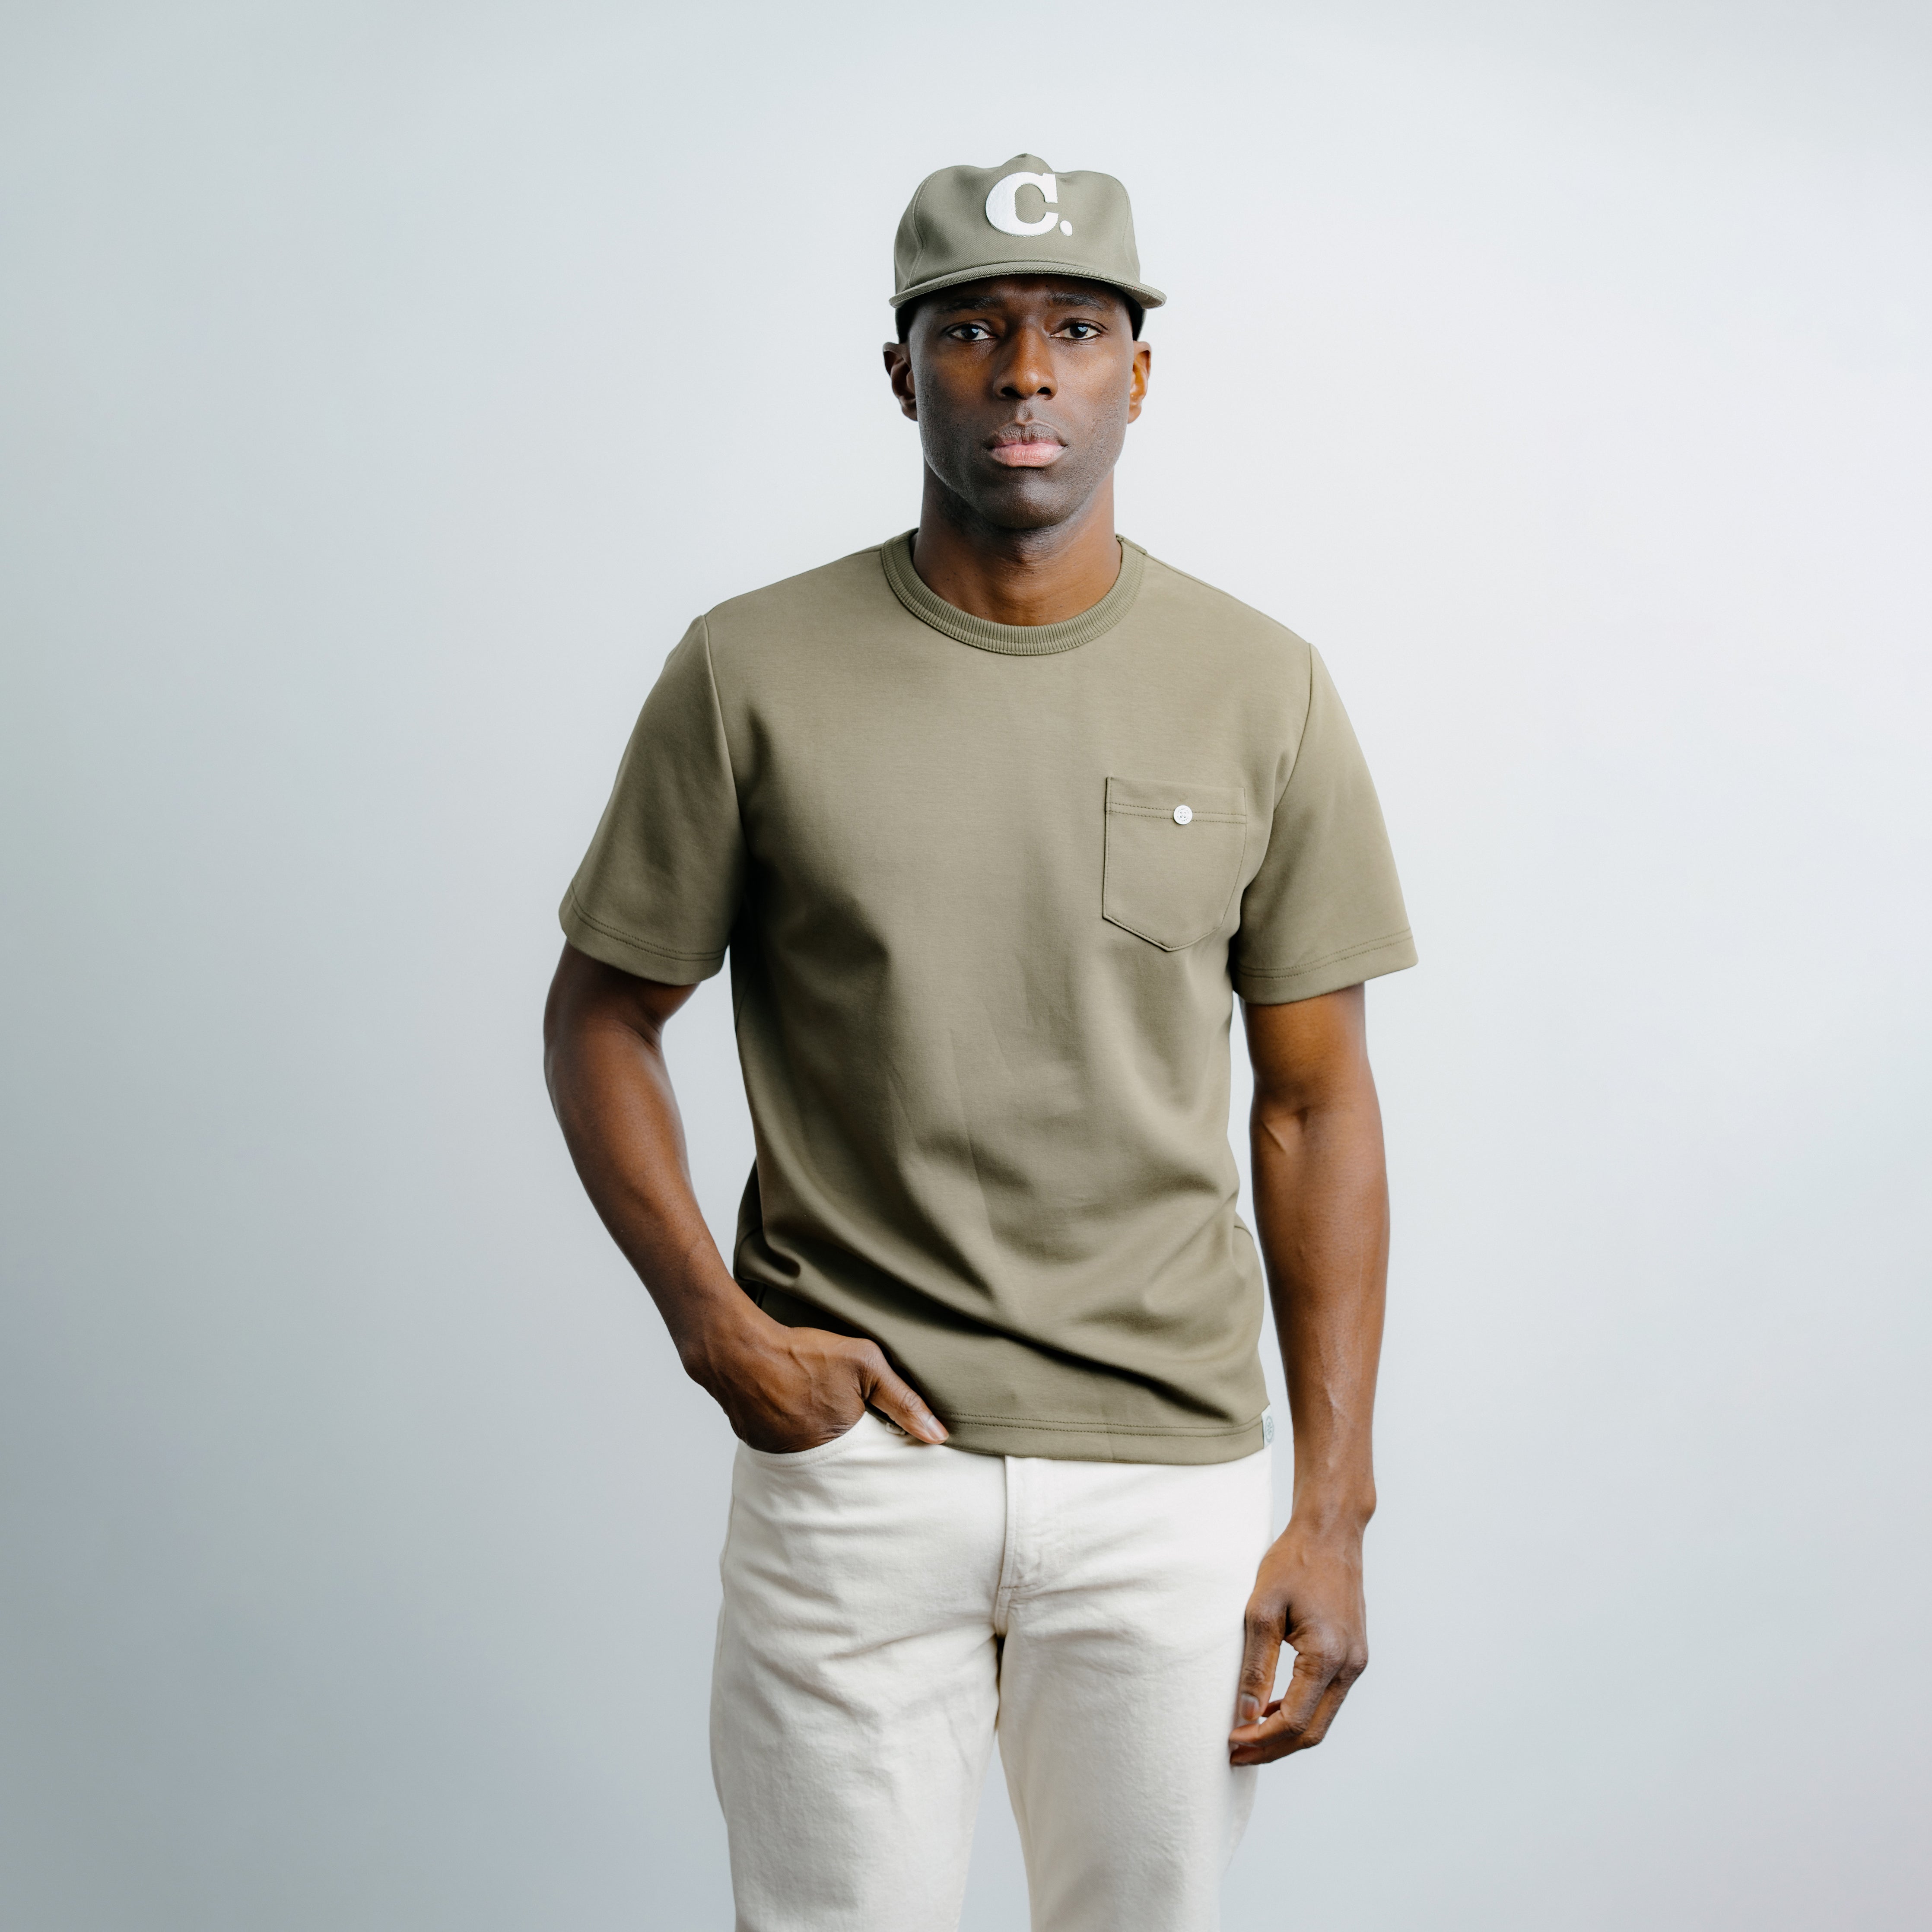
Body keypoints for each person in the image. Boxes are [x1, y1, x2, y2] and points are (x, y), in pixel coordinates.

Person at [543, 153, 1416, 1932]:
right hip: (857, 1468)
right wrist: (718, 1330)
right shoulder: (749, 667)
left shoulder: (1262, 685)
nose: (1024, 372)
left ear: (1135, 376)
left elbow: (1314, 1104)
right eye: (972, 330)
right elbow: (602, 1013)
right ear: (901, 371)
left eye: (1074, 329)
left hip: (1165, 1475)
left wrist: (1328, 1510)